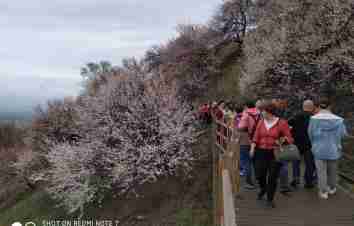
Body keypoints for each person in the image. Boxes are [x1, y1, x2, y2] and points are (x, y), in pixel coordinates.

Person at [250, 100, 294, 208]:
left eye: (263, 111)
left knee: (272, 177)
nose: (261, 113)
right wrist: (252, 148)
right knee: (259, 175)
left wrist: (279, 141)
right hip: (261, 152)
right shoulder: (261, 122)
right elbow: (255, 137)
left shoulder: (281, 123)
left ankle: (270, 199)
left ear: (269, 112)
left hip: (275, 153)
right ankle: (263, 188)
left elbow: (290, 138)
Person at [308, 97, 348, 199]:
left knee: (321, 171)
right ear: (330, 106)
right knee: (333, 170)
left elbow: (310, 133)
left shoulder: (314, 119)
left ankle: (323, 191)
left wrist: (314, 143)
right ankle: (332, 188)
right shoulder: (339, 120)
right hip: (334, 148)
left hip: (319, 148)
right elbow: (343, 134)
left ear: (320, 106)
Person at [288, 100, 317, 188]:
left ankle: (296, 178)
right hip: (309, 144)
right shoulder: (314, 118)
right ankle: (308, 181)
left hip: (297, 143)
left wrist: (292, 135)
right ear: (312, 107)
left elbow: (288, 126)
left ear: (303, 106)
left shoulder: (295, 116)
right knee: (309, 163)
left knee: (295, 162)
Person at [238, 100, 260, 189]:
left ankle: (249, 182)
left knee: (246, 161)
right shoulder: (260, 113)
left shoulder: (246, 114)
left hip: (246, 140)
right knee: (255, 160)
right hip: (257, 139)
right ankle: (259, 179)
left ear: (246, 106)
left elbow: (241, 127)